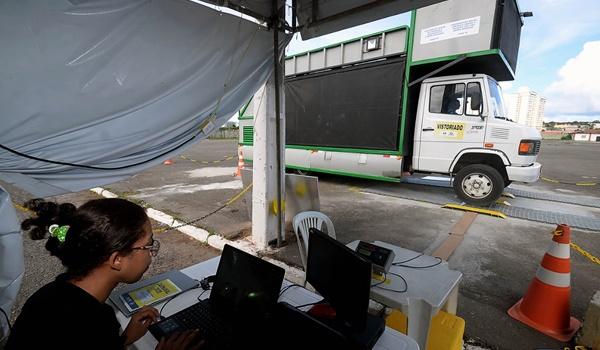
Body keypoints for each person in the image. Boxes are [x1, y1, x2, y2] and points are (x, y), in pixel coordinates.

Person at [5, 198, 204, 350]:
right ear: (117, 259)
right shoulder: (93, 324)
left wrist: (125, 339)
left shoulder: (51, 294)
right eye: (148, 245)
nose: (152, 252)